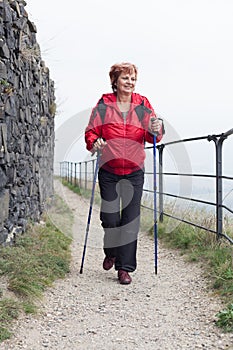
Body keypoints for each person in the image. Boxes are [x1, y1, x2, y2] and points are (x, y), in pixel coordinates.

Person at [85, 62, 164, 285]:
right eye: (125, 78)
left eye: (132, 79)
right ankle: (111, 251)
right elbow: (91, 132)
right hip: (109, 168)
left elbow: (153, 135)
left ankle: (124, 268)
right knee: (110, 218)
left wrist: (157, 129)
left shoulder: (142, 104)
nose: (129, 82)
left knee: (130, 219)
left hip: (134, 170)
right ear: (115, 81)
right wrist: (95, 142)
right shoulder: (104, 104)